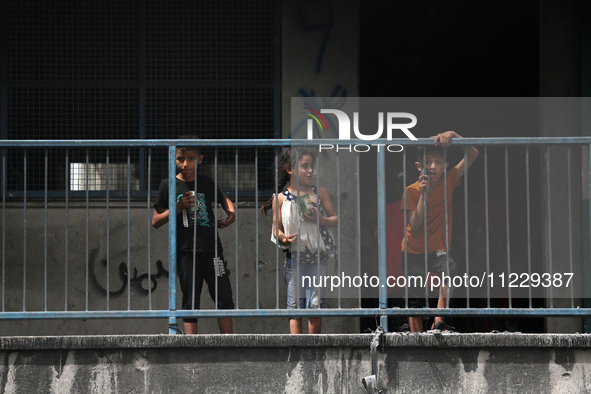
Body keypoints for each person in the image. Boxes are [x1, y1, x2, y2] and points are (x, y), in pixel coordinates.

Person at [152, 135, 236, 334]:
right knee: (190, 301)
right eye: (180, 158)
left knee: (223, 296)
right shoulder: (168, 184)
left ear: (199, 159)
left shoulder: (206, 183)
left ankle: (230, 344)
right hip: (186, 252)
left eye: (190, 158)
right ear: (174, 159)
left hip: (213, 251)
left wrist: (231, 215)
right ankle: (192, 346)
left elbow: (224, 199)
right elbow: (155, 221)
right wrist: (178, 206)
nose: (185, 163)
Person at [401, 131, 479, 332]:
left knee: (450, 271)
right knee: (415, 298)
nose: (433, 166)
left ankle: (438, 321)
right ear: (420, 166)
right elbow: (415, 224)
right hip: (412, 250)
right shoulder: (411, 191)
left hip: (438, 248)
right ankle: (415, 337)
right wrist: (423, 195)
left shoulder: (450, 178)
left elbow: (473, 154)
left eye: (438, 161)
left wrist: (453, 135)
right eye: (428, 162)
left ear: (445, 166)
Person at [261, 147, 338, 334]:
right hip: (293, 260)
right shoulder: (279, 198)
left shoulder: (319, 192)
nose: (310, 170)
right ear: (290, 169)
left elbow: (335, 219)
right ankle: (298, 353)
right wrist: (284, 239)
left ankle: (314, 351)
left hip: (318, 259)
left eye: (311, 166)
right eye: (305, 166)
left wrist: (317, 219)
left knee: (315, 306)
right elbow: (276, 230)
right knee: (294, 307)